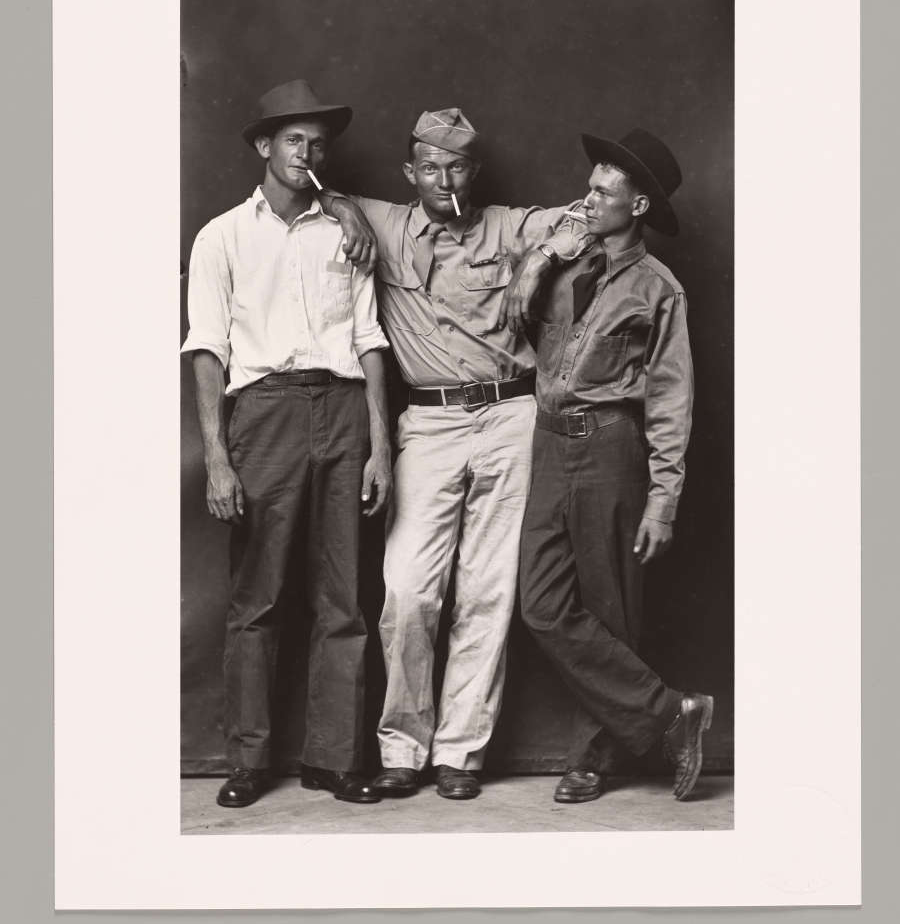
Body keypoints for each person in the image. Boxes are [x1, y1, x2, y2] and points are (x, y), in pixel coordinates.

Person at [317, 108, 587, 799]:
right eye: (431, 168)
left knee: (487, 591)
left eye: (458, 167)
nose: (445, 180)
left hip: (509, 415)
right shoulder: (384, 222)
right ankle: (403, 748)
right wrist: (342, 209)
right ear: (410, 173)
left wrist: (540, 260)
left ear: (475, 171)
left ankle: (461, 753)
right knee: (409, 590)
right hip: (429, 424)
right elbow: (318, 191)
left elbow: (586, 216)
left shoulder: (508, 225)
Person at [181, 79, 392, 808]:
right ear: (264, 146)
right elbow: (207, 349)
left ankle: (335, 759)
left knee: (344, 597)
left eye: (318, 144)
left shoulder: (346, 233)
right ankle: (249, 759)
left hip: (344, 410)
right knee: (258, 595)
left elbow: (368, 337)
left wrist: (381, 446)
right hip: (263, 413)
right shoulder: (221, 236)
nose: (308, 153)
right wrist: (217, 458)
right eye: (294, 140)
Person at [509, 127, 714, 803]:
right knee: (541, 604)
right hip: (548, 441)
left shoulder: (660, 289)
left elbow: (672, 399)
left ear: (639, 206)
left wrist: (663, 500)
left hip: (610, 447)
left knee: (609, 607)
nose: (586, 201)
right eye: (589, 188)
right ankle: (672, 712)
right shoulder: (563, 260)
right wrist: (542, 257)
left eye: (603, 193)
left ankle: (593, 759)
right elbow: (511, 321)